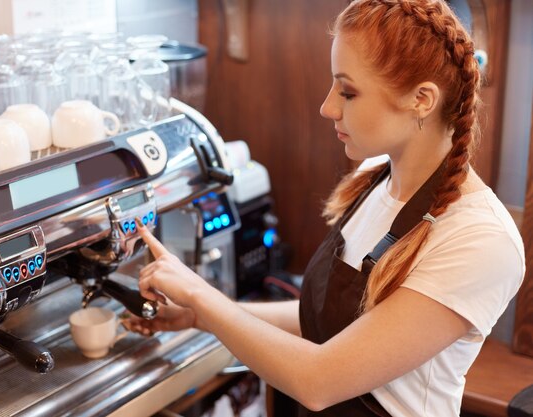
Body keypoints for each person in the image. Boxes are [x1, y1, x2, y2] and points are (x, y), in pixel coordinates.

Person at [122, 0, 525, 415]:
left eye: (348, 91)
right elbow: (325, 322)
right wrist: (199, 317)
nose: (328, 107)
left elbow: (320, 379)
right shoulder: (374, 177)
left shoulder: (480, 239)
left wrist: (200, 294)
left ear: (421, 99)